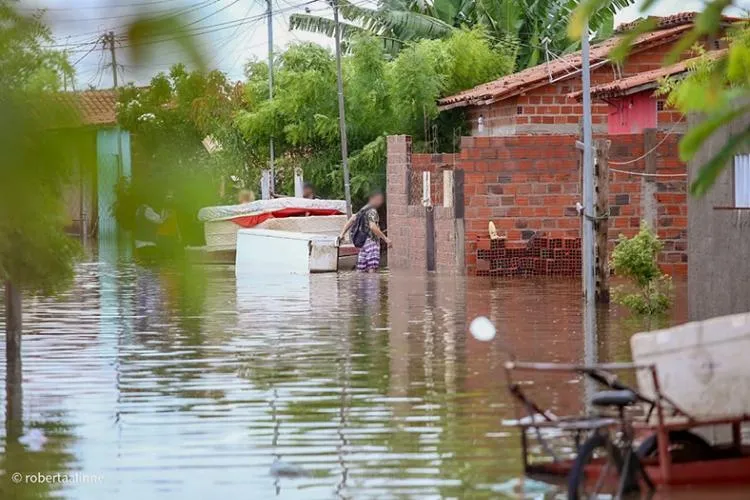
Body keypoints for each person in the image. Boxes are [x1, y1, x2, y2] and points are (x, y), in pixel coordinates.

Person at [339, 190, 391, 272]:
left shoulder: (363, 210)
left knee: (361, 269)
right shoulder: (372, 211)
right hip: (371, 241)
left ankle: (362, 284)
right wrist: (385, 239)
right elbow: (373, 226)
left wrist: (342, 234)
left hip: (362, 243)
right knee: (372, 267)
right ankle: (371, 284)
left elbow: (351, 220)